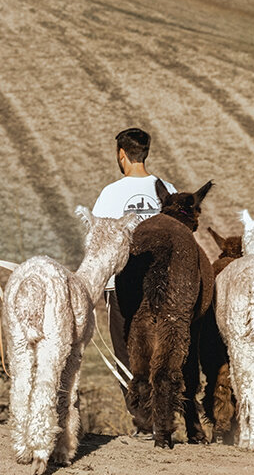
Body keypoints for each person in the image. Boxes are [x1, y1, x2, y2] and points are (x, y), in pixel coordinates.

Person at [91, 127, 176, 391]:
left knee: (127, 350)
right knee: (160, 349)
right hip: (164, 286)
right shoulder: (168, 190)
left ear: (121, 154)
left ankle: (141, 416)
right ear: (145, 153)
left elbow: (98, 241)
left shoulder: (110, 194)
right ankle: (161, 412)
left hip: (122, 286)